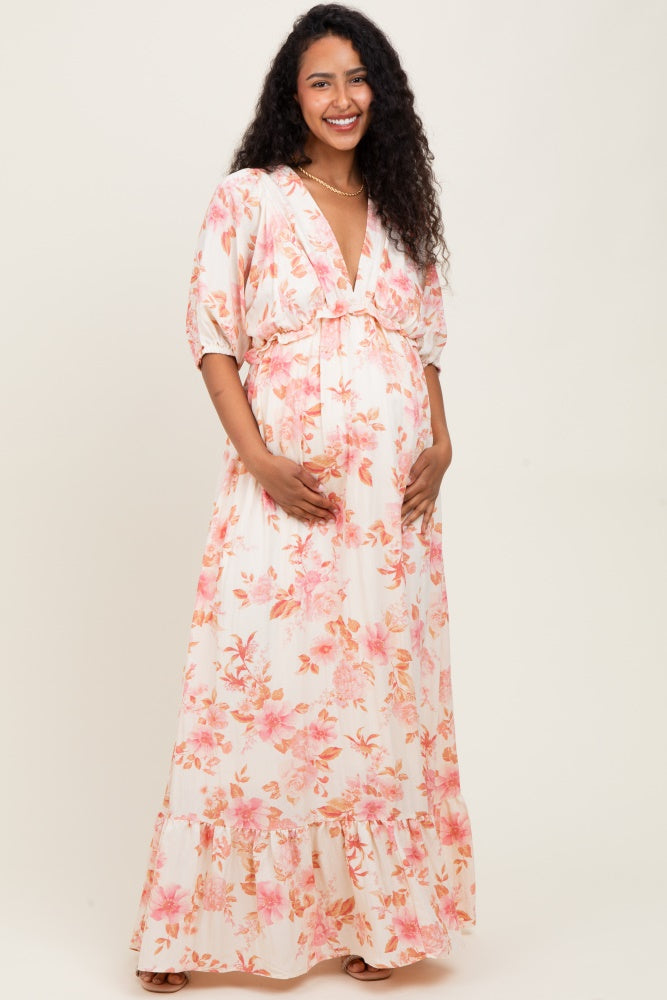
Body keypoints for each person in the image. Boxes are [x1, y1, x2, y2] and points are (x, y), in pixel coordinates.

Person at [130, 3, 476, 992]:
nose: (341, 97)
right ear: (293, 96)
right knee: (254, 694)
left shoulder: (401, 212)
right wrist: (258, 458)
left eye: (358, 78)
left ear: (382, 93)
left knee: (374, 703)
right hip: (286, 493)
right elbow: (210, 335)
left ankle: (378, 917)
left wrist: (442, 441)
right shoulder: (249, 199)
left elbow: (423, 348)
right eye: (321, 80)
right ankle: (192, 930)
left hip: (392, 511)